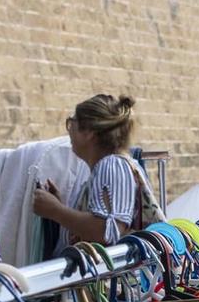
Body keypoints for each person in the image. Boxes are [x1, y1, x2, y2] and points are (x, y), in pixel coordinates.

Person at [32, 93, 158, 249]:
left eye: (72, 124)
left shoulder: (111, 165)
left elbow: (106, 231)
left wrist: (56, 211)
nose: (69, 131)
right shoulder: (112, 166)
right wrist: (61, 205)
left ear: (89, 132)